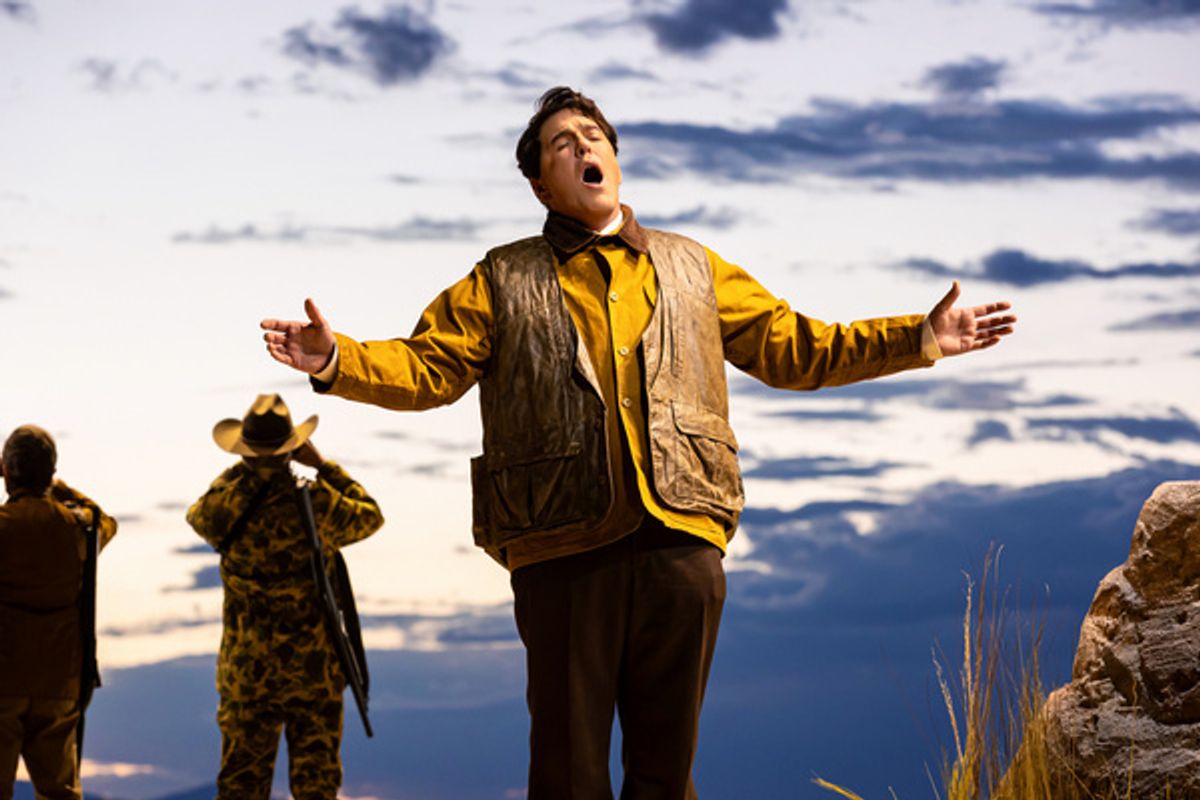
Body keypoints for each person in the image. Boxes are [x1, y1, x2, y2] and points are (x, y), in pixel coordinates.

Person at [260, 87, 1017, 799]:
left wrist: (919, 337)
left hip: (681, 543)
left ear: (615, 160)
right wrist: (335, 359)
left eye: (593, 135)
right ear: (541, 184)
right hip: (561, 546)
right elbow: (427, 368)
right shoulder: (501, 277)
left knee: (666, 773)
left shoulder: (694, 266)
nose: (582, 146)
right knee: (567, 772)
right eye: (562, 143)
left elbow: (797, 347)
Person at [186, 394, 383, 799]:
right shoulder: (316, 504)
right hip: (313, 676)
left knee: (241, 786)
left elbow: (197, 515)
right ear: (291, 448)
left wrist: (246, 472)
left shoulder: (225, 506)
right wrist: (324, 466)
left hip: (248, 678)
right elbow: (370, 514)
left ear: (245, 450)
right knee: (317, 788)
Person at [0, 424, 118, 800]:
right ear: (50, 473)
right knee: (60, 793)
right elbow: (105, 522)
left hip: (3, 680)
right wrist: (59, 486)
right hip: (59, 684)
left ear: (7, 469)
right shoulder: (77, 529)